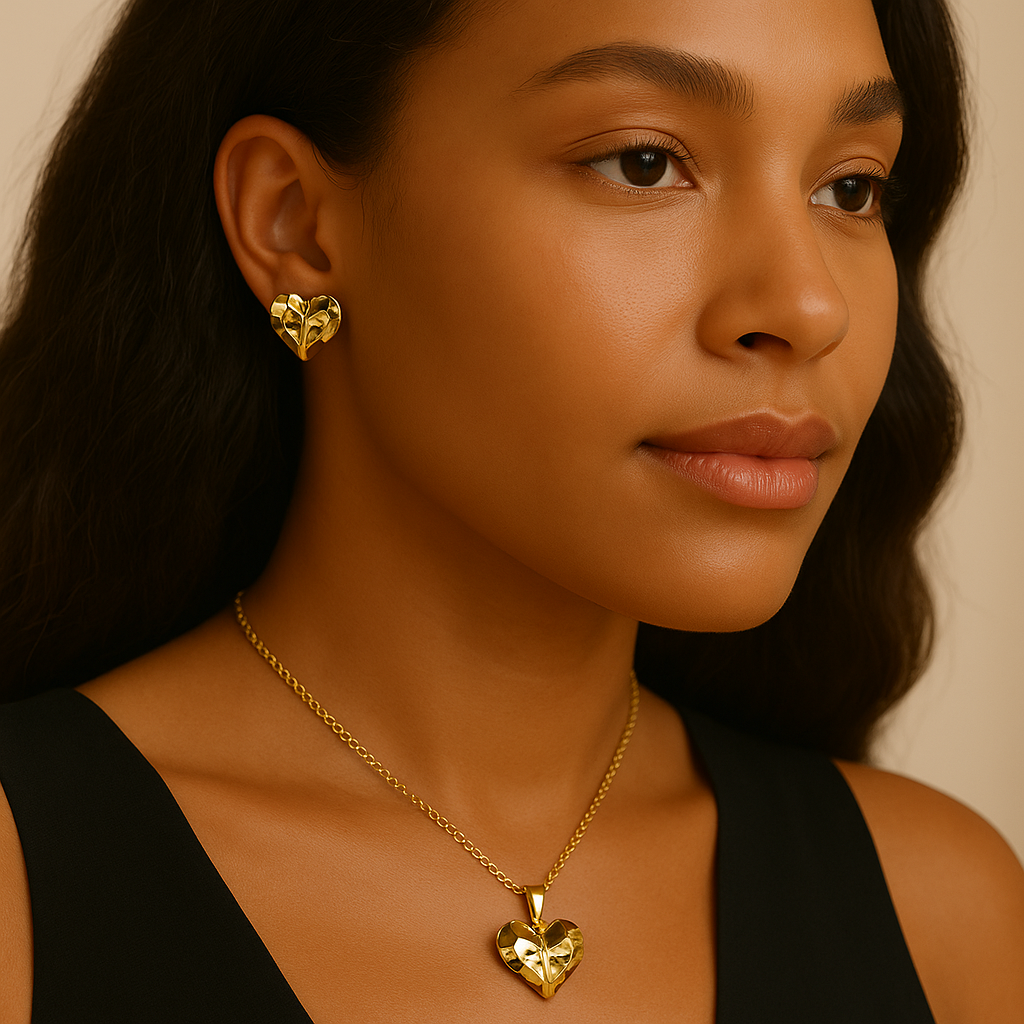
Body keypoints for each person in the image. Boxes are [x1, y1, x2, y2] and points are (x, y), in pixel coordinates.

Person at [0, 0, 1022, 1020]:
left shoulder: (943, 918)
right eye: (642, 163)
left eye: (850, 187)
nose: (808, 307)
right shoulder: (21, 894)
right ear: (294, 224)